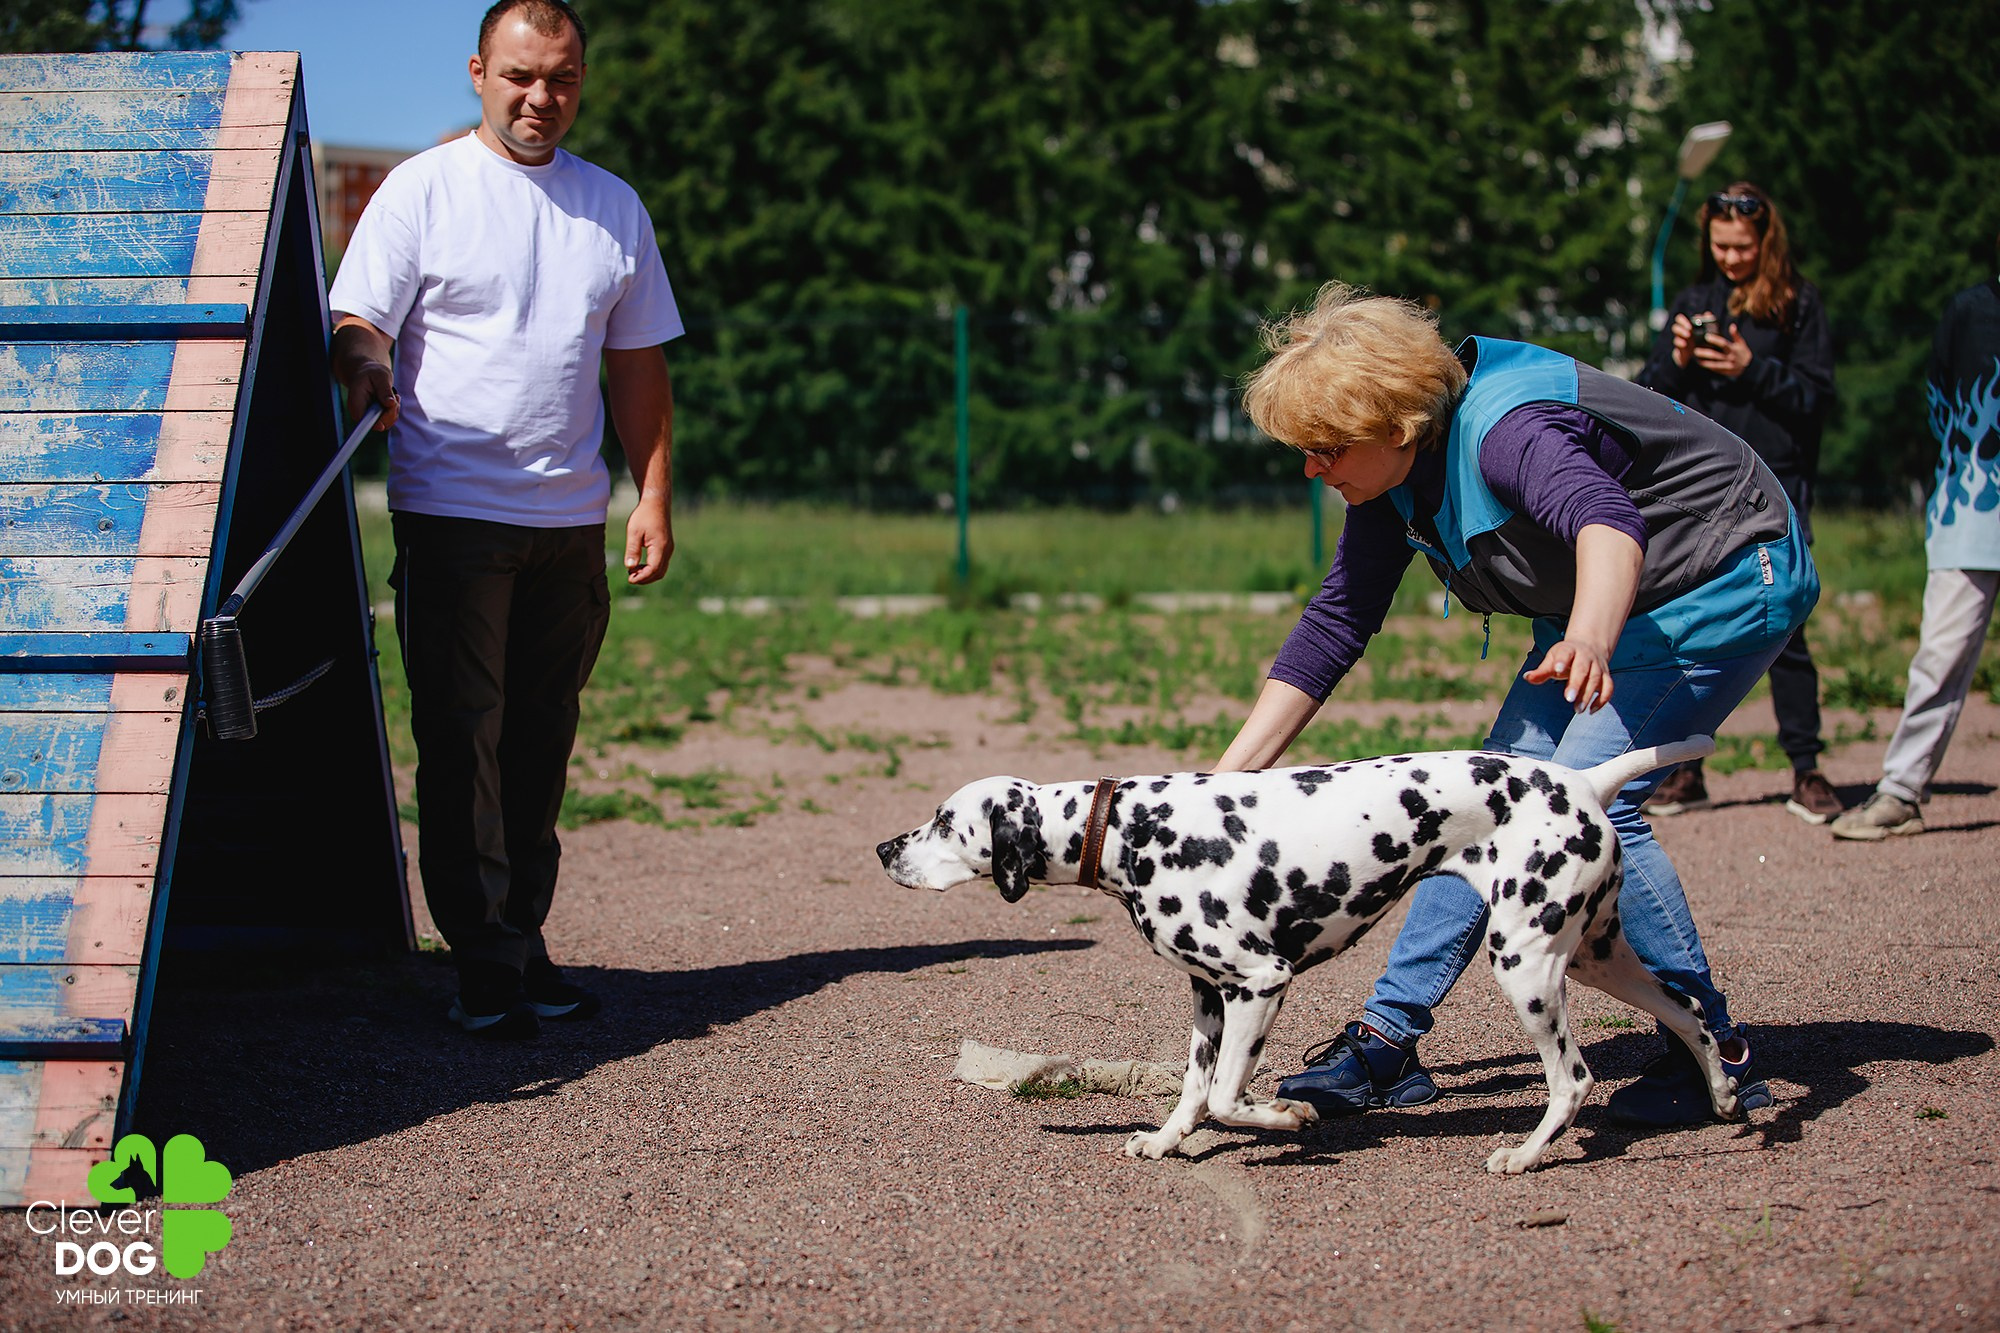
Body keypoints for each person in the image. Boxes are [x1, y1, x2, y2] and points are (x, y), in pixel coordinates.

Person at [1220, 283, 1817, 1128]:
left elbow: (1606, 522)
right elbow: (1336, 624)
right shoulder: (1391, 476)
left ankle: (1711, 1047)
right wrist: (1220, 785)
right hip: (1609, 611)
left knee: (1583, 800)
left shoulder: (1507, 431)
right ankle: (1387, 1042)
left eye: (1326, 450)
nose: (1313, 470)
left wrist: (1589, 637)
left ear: (1397, 426)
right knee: (1477, 805)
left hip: (1719, 576)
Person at [328, 0, 682, 1038]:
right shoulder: (420, 191)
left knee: (540, 738)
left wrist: (651, 492)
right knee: (461, 738)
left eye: (562, 79)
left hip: (568, 522)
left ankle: (522, 940)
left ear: (582, 81)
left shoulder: (611, 208)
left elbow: (637, 363)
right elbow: (357, 323)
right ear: (478, 71)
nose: (541, 98)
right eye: (521, 76)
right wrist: (365, 366)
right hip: (451, 513)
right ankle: (481, 958)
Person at [1638, 183, 1839, 823]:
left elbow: (1817, 401)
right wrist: (1673, 361)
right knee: (1692, 625)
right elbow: (1650, 397)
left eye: (1742, 247)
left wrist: (1751, 367)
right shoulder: (1696, 300)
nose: (1729, 258)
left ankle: (1807, 769)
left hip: (1777, 485)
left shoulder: (1799, 304)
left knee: (1786, 629)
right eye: (1720, 246)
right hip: (1703, 490)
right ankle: (1684, 770)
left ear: (1766, 242)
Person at [1831, 271, 2000, 840]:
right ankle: (1902, 790)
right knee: (1940, 656)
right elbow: (1940, 402)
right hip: (1971, 513)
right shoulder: (1971, 310)